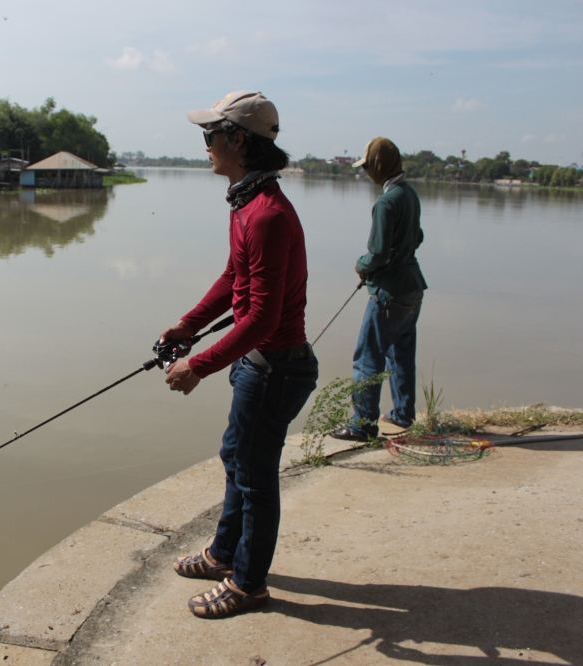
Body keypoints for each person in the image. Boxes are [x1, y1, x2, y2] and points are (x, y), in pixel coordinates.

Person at [160, 91, 318, 618]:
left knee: (254, 474)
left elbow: (263, 319)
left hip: (277, 369)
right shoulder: (247, 202)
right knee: (237, 458)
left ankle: (249, 585)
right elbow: (235, 278)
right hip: (259, 365)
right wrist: (188, 325)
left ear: (237, 141)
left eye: (210, 136)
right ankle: (224, 554)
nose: (205, 145)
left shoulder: (268, 214)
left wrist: (198, 365)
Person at [330, 137, 427, 442]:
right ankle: (402, 414)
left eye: (368, 166)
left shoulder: (386, 202)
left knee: (367, 357)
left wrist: (362, 265)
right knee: (401, 353)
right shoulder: (409, 194)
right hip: (413, 288)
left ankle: (363, 424)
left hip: (388, 293)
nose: (366, 172)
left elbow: (378, 253)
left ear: (378, 167)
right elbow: (417, 236)